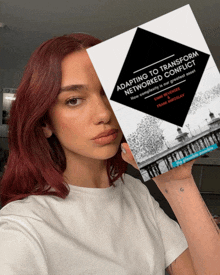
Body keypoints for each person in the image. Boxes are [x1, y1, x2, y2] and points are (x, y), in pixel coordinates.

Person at [0, 33, 219, 275]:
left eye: (109, 93)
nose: (104, 113)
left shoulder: (134, 191)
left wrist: (179, 182)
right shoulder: (21, 227)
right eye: (74, 100)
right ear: (44, 123)